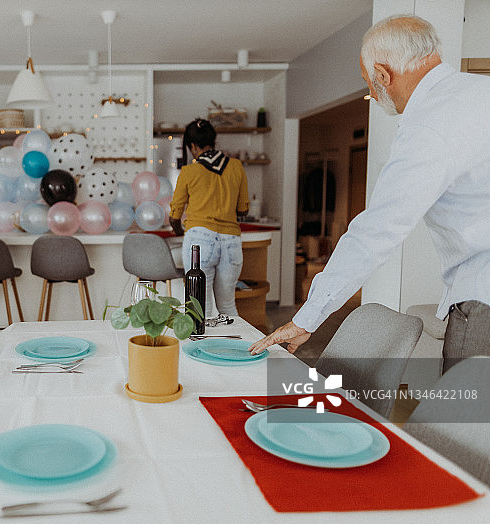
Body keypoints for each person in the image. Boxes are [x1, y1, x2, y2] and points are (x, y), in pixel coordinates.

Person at [250, 15, 490, 372]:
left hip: (483, 296)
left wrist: (307, 318)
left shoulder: (428, 124)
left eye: (369, 82)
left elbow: (376, 231)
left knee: (461, 419)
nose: (373, 93)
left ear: (382, 74)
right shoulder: (480, 92)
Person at [169, 118, 250, 317]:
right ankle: (233, 347)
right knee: (228, 306)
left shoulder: (189, 172)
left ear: (193, 146)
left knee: (198, 309)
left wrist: (180, 231)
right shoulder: (236, 166)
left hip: (199, 240)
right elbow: (243, 210)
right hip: (231, 240)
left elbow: (175, 216)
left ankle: (198, 348)